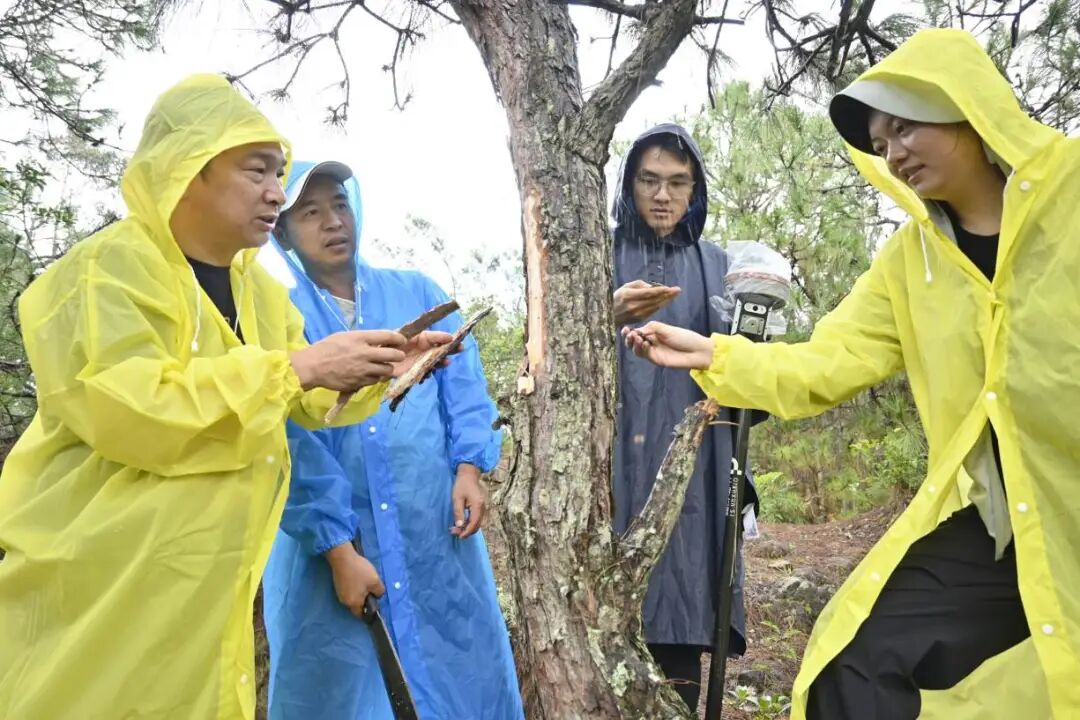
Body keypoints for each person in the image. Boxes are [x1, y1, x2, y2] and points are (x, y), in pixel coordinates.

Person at [622, 28, 1078, 720]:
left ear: (966, 106)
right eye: (880, 141)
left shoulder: (1071, 194)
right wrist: (715, 355)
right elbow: (827, 359)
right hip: (1004, 527)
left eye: (905, 128)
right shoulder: (911, 262)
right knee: (854, 662)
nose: (892, 153)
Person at [0, 76, 451, 719]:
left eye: (279, 173)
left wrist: (377, 370)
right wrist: (298, 368)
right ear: (187, 168)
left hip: (204, 594)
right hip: (102, 583)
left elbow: (299, 400)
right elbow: (127, 409)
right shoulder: (103, 271)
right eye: (257, 170)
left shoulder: (259, 294)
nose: (277, 192)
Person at [261, 160, 524, 719]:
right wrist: (337, 548)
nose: (333, 221)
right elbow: (288, 440)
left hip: (431, 530)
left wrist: (469, 468)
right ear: (283, 233)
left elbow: (462, 384)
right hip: (335, 552)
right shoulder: (280, 317)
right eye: (311, 212)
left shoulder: (414, 293)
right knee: (345, 690)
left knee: (460, 675)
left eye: (339, 205)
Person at [611, 124, 758, 710]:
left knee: (686, 604)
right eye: (649, 180)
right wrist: (605, 311)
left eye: (677, 182)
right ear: (629, 184)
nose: (662, 195)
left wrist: (757, 330)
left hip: (697, 469)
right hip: (613, 464)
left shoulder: (719, 266)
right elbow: (550, 357)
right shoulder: (596, 257)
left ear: (695, 189)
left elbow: (750, 378)